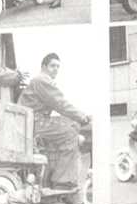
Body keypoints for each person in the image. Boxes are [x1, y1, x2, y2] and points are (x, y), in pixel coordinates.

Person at [18, 53, 90, 190]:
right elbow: (60, 103)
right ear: (44, 66)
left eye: (58, 66)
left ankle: (54, 173)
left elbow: (59, 104)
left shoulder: (39, 81)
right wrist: (82, 117)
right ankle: (62, 181)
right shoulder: (42, 80)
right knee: (70, 133)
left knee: (71, 124)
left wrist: (77, 118)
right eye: (52, 66)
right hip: (34, 122)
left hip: (31, 122)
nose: (56, 69)